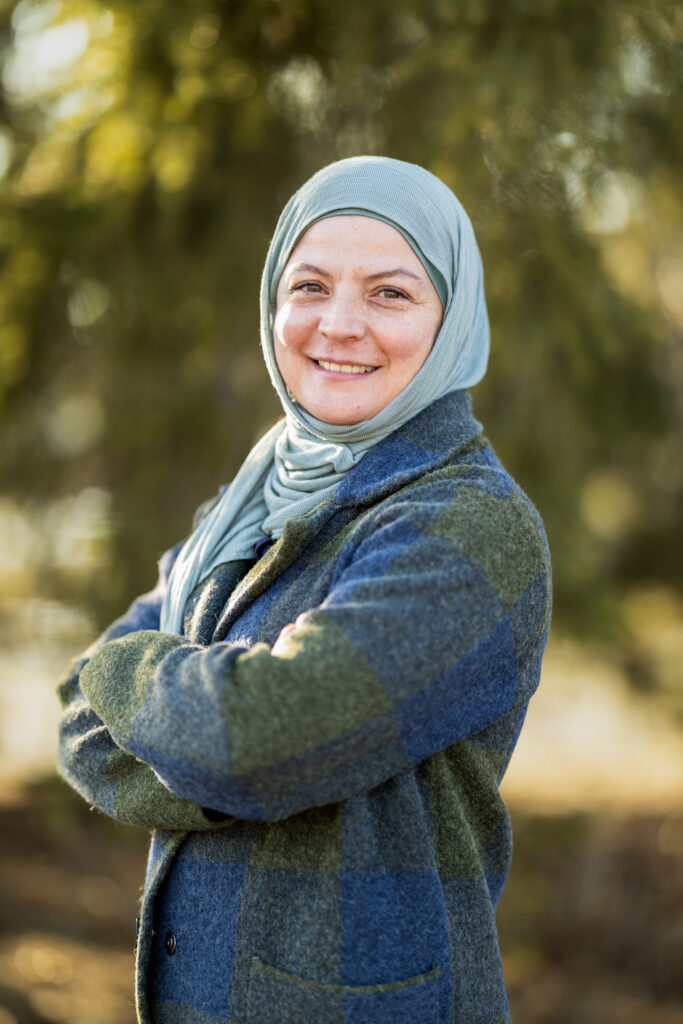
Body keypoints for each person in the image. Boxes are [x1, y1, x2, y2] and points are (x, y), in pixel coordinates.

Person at [57, 155, 552, 1024]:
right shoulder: (256, 499)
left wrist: (151, 691)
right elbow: (78, 719)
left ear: (453, 319)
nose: (339, 324)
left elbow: (259, 738)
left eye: (391, 294)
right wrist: (209, 750)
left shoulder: (469, 522)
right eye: (310, 285)